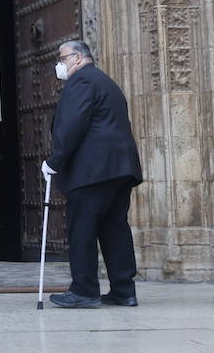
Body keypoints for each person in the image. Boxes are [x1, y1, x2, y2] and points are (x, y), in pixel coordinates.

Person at [40, 40, 143, 308]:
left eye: (61, 58)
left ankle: (84, 290)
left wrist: (55, 161)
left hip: (93, 170)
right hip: (118, 169)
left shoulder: (82, 81)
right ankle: (124, 289)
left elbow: (73, 125)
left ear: (77, 58)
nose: (58, 65)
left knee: (83, 229)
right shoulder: (105, 81)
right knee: (114, 228)